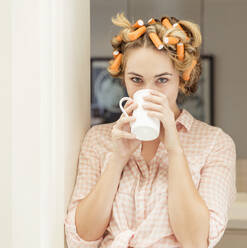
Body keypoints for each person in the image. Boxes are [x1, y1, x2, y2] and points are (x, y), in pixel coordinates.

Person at [64, 12, 237, 248]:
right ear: (123, 78)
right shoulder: (98, 139)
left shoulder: (215, 143)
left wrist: (175, 150)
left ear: (181, 79)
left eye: (162, 80)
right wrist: (117, 159)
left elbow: (196, 241)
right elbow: (81, 237)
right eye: (136, 79)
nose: (148, 91)